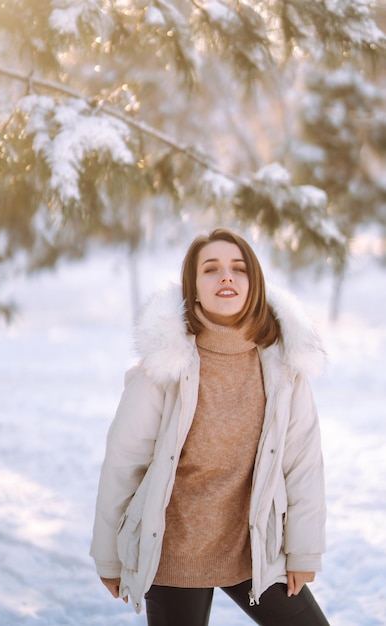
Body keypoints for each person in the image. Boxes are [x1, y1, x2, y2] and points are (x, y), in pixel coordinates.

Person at [90, 228, 330, 626]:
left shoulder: (284, 365)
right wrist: (108, 555)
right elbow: (123, 461)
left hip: (253, 545)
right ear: (193, 288)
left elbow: (303, 463)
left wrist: (303, 552)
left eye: (239, 268)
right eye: (211, 268)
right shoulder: (164, 366)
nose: (227, 277)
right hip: (174, 551)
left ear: (254, 284)